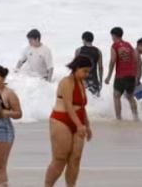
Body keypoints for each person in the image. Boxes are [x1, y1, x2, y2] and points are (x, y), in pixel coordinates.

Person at [44, 55, 93, 187]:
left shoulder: (82, 83)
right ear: (76, 68)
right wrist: (79, 125)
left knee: (75, 158)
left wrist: (87, 125)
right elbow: (69, 106)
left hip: (78, 121)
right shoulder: (66, 82)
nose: (86, 74)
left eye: (88, 72)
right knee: (60, 159)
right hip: (61, 121)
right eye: (85, 71)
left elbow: (82, 106)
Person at [0, 65, 21, 187]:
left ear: (3, 78)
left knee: (0, 167)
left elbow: (18, 113)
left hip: (3, 129)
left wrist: (4, 112)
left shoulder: (9, 93)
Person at [104, 27, 140, 121]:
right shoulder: (129, 45)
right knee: (130, 96)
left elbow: (112, 61)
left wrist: (108, 76)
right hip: (131, 75)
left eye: (111, 36)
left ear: (114, 35)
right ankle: (136, 118)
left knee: (116, 96)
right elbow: (135, 60)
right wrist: (135, 75)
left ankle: (119, 118)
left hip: (121, 75)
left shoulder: (115, 45)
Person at [75, 32, 103, 96]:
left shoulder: (79, 50)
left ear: (84, 40)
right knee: (95, 101)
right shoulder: (98, 51)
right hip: (94, 80)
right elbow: (100, 67)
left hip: (82, 80)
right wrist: (100, 81)